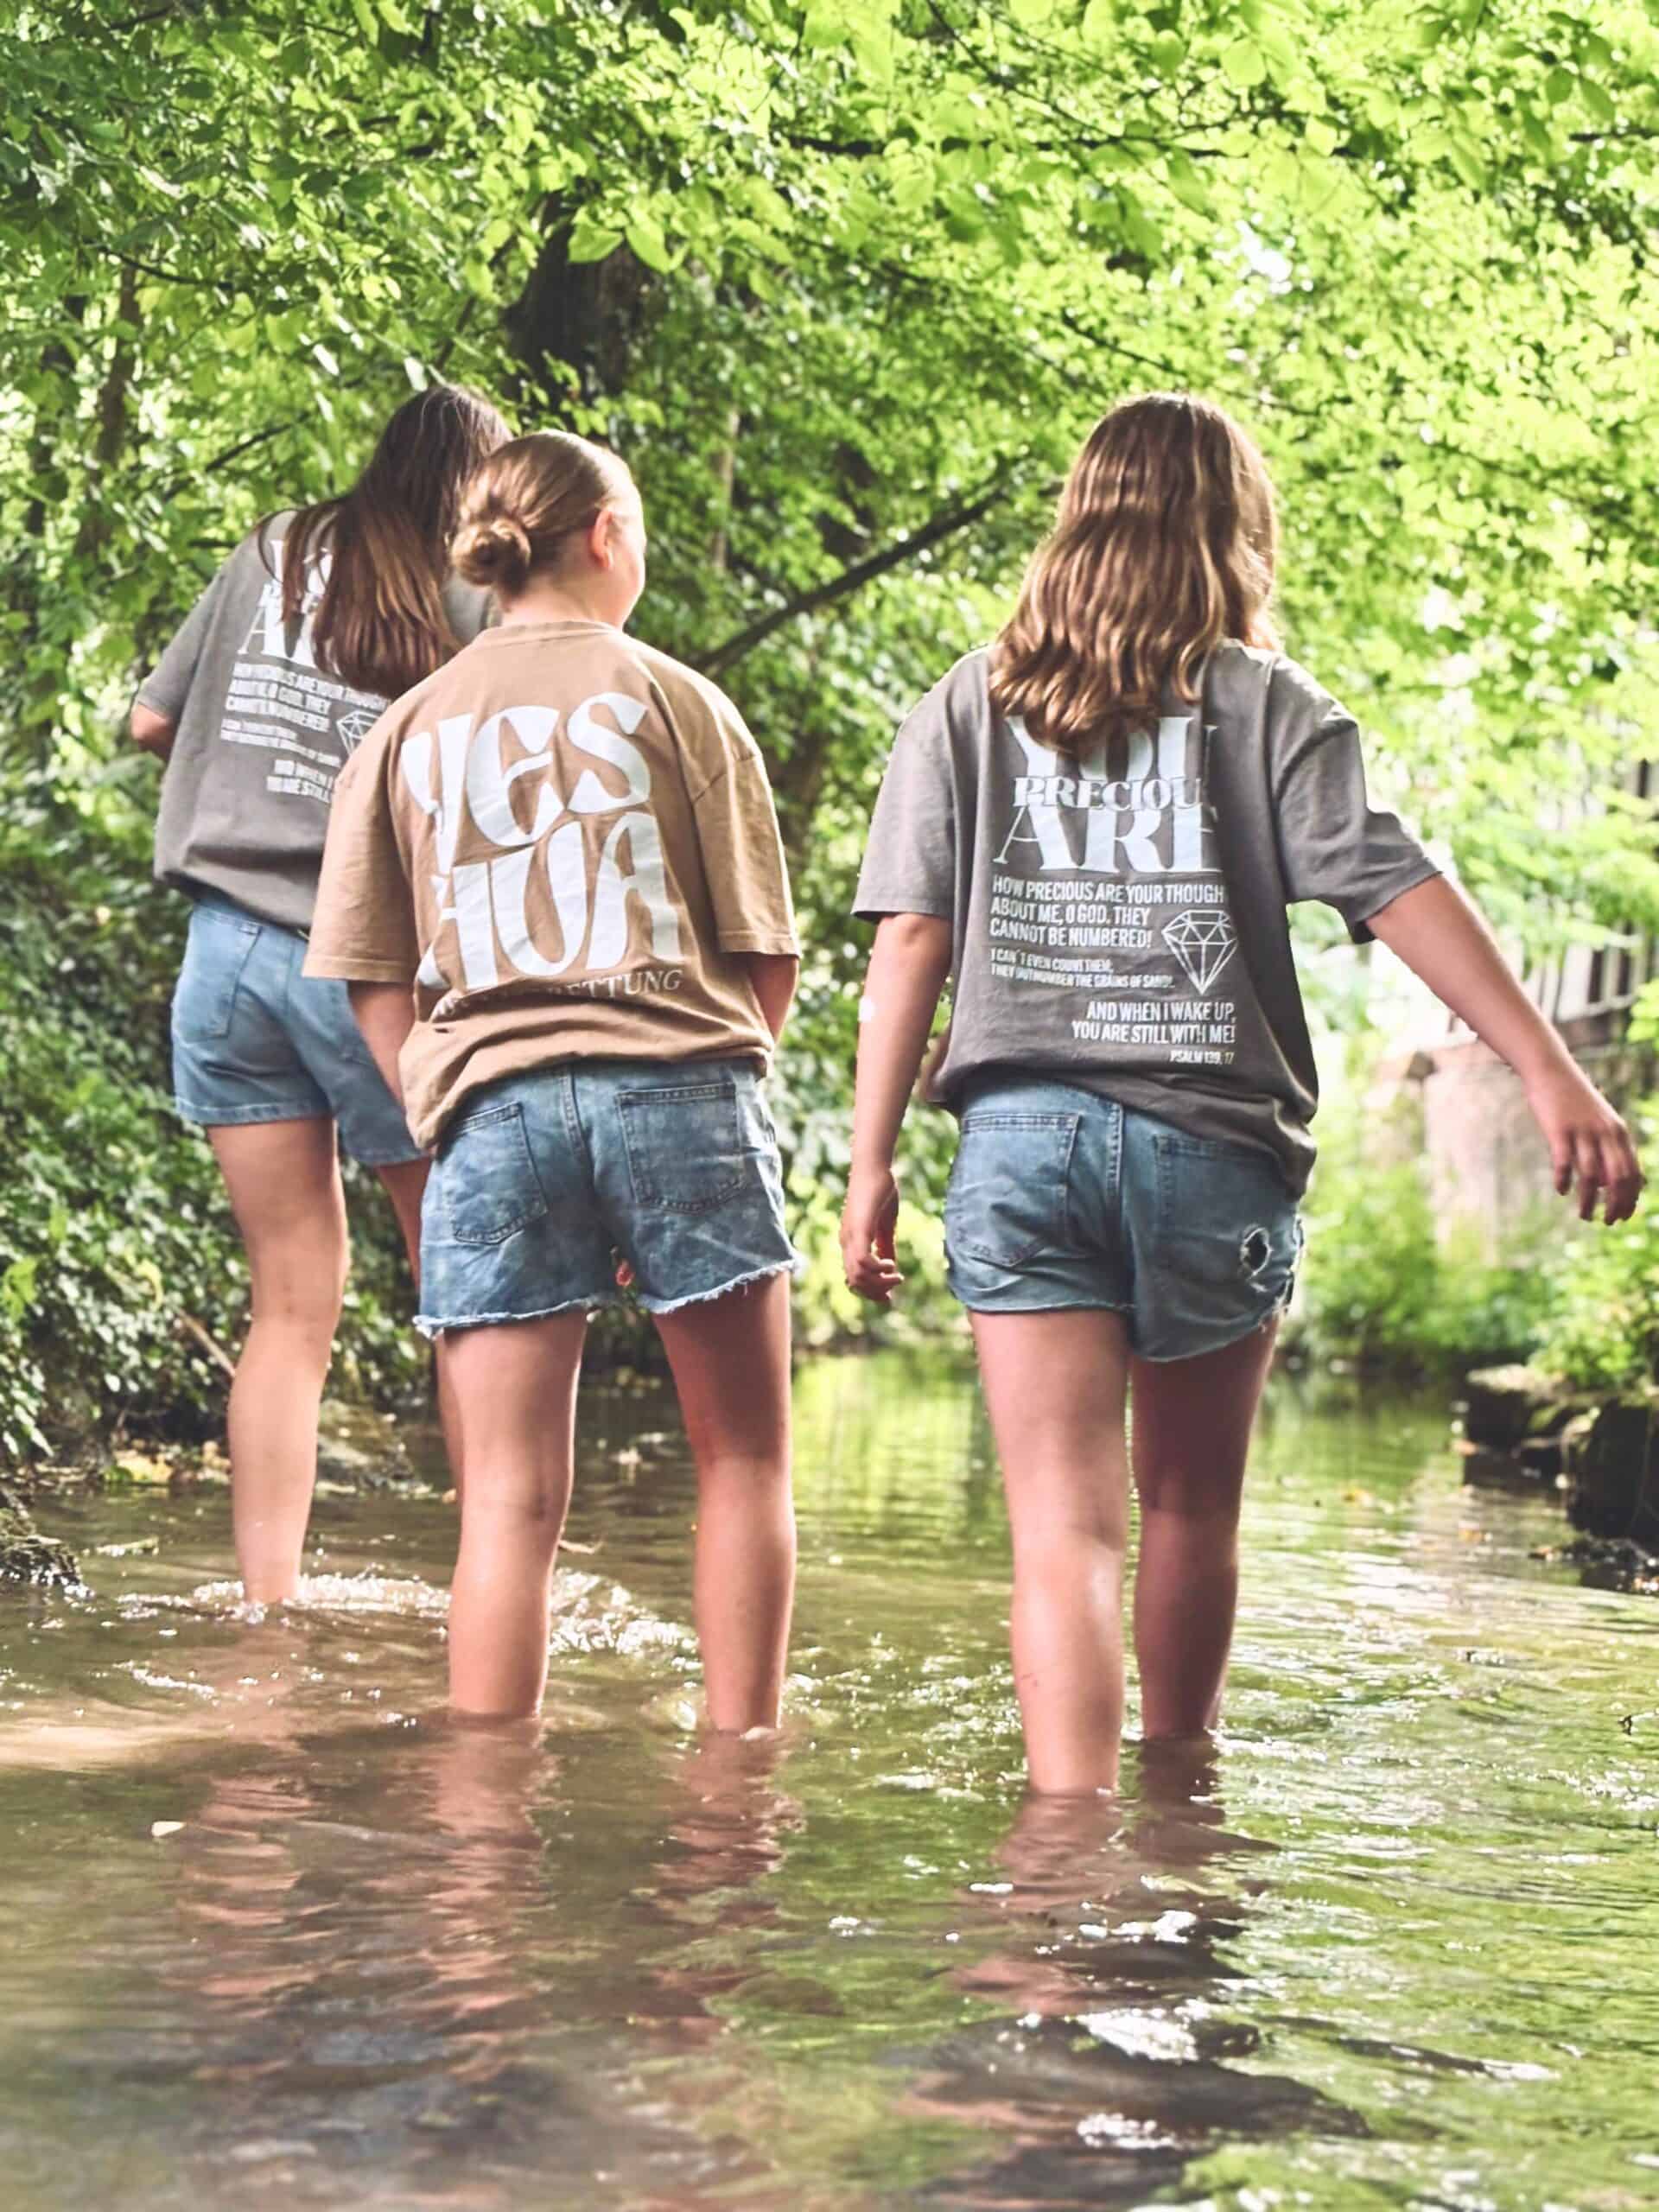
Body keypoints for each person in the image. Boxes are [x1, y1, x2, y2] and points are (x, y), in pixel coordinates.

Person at [840, 391, 1643, 1796]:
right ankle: (1174, 1809)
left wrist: (870, 1165)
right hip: (1212, 1152)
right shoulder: (1273, 710)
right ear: (1235, 532)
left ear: (1076, 521)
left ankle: (1066, 1845)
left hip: (1021, 1148)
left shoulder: (968, 703)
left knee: (1062, 1529)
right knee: (1192, 1510)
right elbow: (1396, 889)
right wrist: (1549, 1066)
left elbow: (909, 940)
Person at [304, 429, 801, 1724]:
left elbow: (369, 975)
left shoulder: (408, 729)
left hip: (492, 1111)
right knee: (742, 1460)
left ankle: (480, 1843)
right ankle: (738, 1784)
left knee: (508, 1503)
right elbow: (764, 956)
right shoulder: (679, 700)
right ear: (606, 537)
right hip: (680, 1084)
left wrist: (440, 1085)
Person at [130, 384, 513, 1605]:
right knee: (458, 1292)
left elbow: (150, 720)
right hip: (371, 981)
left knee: (289, 1307)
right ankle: (491, 1594)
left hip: (225, 959)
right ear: (472, 488)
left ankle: (266, 1602)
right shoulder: (473, 599)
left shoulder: (273, 549)